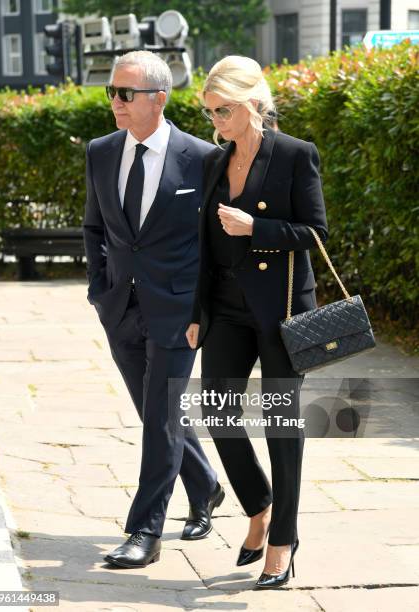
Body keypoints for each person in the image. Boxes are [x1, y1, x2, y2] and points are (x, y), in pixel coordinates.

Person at [186, 55, 328, 589]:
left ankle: (283, 540)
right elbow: (201, 245)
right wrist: (199, 312)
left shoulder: (295, 155)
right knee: (217, 412)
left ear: (251, 104)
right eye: (210, 114)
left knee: (281, 427)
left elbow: (314, 233)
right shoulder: (214, 163)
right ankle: (258, 504)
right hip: (224, 307)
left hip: (281, 311)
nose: (216, 122)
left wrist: (257, 227)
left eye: (223, 111)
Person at [83, 50, 225, 569]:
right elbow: (95, 228)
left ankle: (145, 530)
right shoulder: (100, 152)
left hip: (178, 313)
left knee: (160, 420)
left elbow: (213, 247)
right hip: (119, 305)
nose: (115, 102)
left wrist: (201, 312)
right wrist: (100, 289)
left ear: (159, 97)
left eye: (126, 93)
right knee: (154, 413)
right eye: (112, 92)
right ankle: (206, 486)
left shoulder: (202, 158)